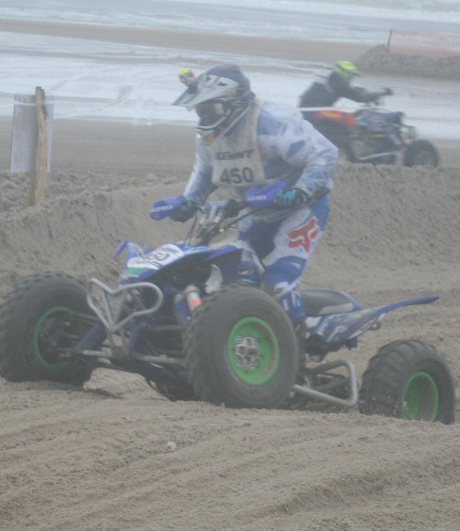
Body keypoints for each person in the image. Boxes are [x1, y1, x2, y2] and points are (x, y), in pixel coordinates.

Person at [163, 64, 338, 340]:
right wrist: (190, 201)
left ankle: (297, 344)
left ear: (233, 104)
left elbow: (325, 154)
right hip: (255, 210)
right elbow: (207, 172)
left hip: (302, 210)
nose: (204, 116)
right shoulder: (209, 138)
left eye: (210, 110)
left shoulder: (273, 124)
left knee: (276, 286)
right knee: (225, 273)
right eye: (200, 110)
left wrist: (302, 191)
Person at [298, 60, 391, 108]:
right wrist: (380, 93)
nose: (351, 79)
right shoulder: (339, 83)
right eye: (351, 76)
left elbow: (350, 90)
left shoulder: (330, 78)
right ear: (344, 73)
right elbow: (359, 97)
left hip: (307, 107)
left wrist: (362, 90)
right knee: (347, 122)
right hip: (316, 110)